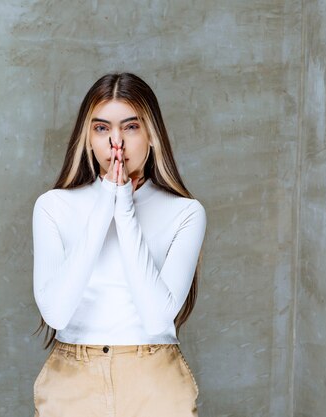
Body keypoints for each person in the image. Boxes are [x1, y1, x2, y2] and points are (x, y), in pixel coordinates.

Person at [31, 72, 207, 416]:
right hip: (72, 381)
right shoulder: (53, 206)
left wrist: (123, 206)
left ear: (152, 135)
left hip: (154, 382)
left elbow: (158, 317)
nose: (117, 142)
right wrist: (107, 201)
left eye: (130, 127)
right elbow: (55, 312)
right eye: (101, 128)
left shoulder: (185, 212)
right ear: (87, 139)